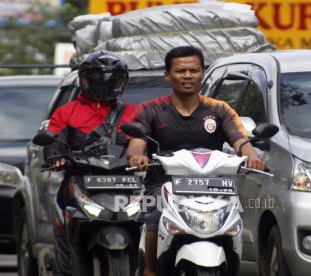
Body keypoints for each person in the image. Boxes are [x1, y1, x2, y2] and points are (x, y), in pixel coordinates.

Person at [126, 46, 266, 276]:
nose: (188, 76)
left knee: (234, 222)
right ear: (168, 75)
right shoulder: (150, 110)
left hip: (215, 186)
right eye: (181, 71)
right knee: (153, 214)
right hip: (163, 183)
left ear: (203, 73)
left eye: (194, 70)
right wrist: (137, 157)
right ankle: (150, 269)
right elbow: (137, 142)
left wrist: (252, 158)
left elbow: (240, 140)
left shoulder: (220, 109)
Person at [43, 51, 138, 275]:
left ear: (121, 82)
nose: (104, 84)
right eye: (97, 78)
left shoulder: (134, 113)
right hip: (79, 181)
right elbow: (54, 140)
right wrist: (54, 156)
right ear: (84, 80)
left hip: (126, 183)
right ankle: (65, 267)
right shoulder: (65, 112)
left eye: (112, 79)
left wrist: (151, 156)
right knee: (63, 212)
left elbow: (146, 141)